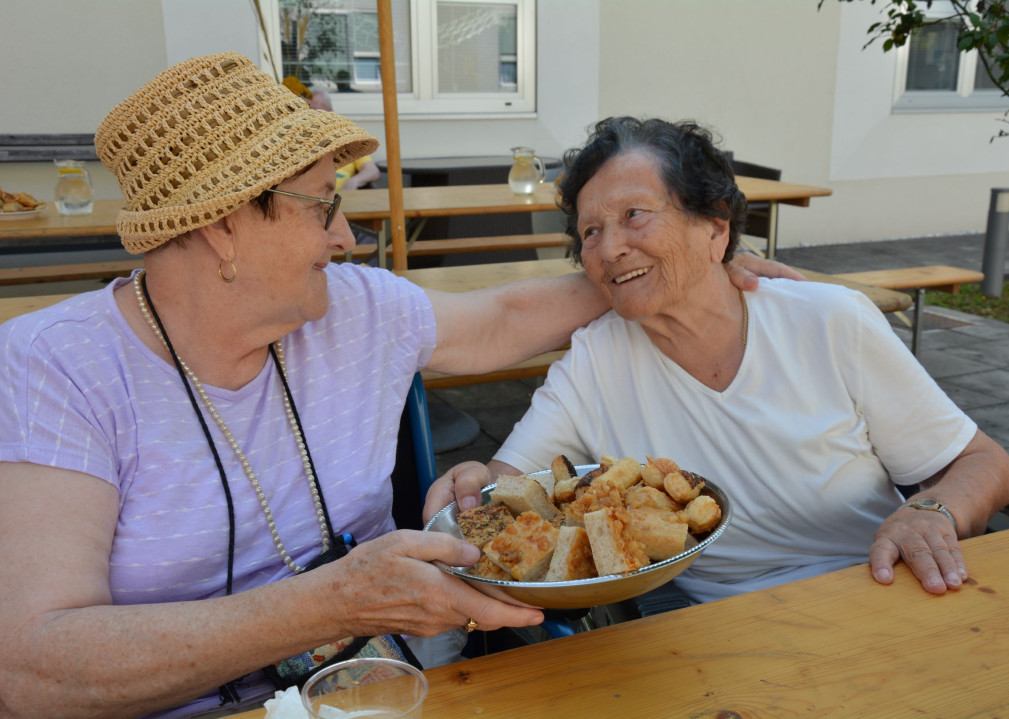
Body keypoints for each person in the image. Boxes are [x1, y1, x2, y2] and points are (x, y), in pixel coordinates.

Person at [0, 58, 790, 719]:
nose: (346, 236)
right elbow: (31, 667)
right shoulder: (56, 368)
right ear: (223, 226)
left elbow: (507, 316)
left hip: (404, 690)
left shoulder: (351, 308)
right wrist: (332, 602)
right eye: (324, 206)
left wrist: (672, 265)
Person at [427, 117, 1009, 604]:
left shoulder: (829, 321)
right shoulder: (595, 359)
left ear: (715, 227)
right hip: (717, 630)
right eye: (590, 232)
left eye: (635, 215)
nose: (608, 247)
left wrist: (934, 511)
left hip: (873, 588)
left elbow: (984, 462)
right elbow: (512, 485)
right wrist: (476, 486)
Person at [284, 75, 381, 190]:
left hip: (342, 199)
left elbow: (372, 171)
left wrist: (355, 181)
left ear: (330, 111)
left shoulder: (346, 138)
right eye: (306, 111)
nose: (310, 116)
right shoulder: (296, 141)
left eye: (315, 110)